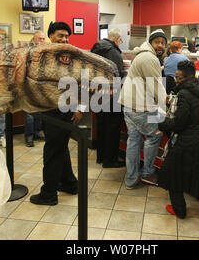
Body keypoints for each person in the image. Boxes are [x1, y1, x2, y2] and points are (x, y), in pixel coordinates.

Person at [157, 60, 199, 221]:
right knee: (196, 179)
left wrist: (161, 121)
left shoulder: (185, 94)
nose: (176, 80)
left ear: (186, 77)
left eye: (179, 77)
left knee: (172, 176)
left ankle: (179, 210)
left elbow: (179, 123)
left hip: (186, 143)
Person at [30, 22, 83, 206]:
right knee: (60, 149)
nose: (65, 39)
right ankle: (70, 184)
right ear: (51, 36)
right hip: (49, 109)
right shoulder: (46, 56)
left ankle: (49, 194)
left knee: (52, 152)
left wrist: (79, 107)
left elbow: (79, 81)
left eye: (67, 36)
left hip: (61, 112)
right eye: (61, 35)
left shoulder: (69, 58)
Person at [118, 29, 167, 189]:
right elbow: (157, 87)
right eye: (157, 42)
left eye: (163, 42)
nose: (160, 45)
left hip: (129, 105)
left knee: (134, 141)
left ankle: (131, 179)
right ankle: (147, 173)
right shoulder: (149, 58)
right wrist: (165, 108)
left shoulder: (143, 55)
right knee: (154, 136)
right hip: (140, 108)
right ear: (151, 42)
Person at [91, 28, 126, 168]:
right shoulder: (114, 52)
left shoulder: (96, 48)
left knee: (101, 126)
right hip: (112, 95)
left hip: (98, 93)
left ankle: (100, 156)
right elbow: (118, 74)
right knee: (112, 128)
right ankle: (110, 160)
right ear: (117, 39)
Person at [24, 30, 46, 147]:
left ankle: (37, 133)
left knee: (40, 113)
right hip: (28, 86)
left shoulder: (44, 52)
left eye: (43, 39)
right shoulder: (27, 51)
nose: (42, 41)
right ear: (33, 39)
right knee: (29, 115)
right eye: (39, 39)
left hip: (40, 87)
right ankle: (29, 136)